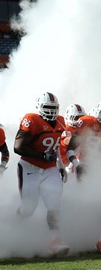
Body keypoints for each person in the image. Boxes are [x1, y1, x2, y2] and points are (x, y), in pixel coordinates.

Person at [13, 92, 69, 256]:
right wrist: (42, 155)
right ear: (39, 108)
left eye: (53, 108)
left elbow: (57, 147)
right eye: (47, 108)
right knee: (28, 208)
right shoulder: (31, 119)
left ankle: (55, 241)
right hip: (29, 167)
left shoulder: (61, 121)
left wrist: (61, 166)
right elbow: (18, 147)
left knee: (54, 205)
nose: (51, 112)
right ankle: (14, 225)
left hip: (50, 168)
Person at [66, 97, 101, 254]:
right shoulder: (87, 122)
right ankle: (72, 236)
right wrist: (77, 165)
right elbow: (71, 148)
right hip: (86, 166)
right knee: (83, 203)